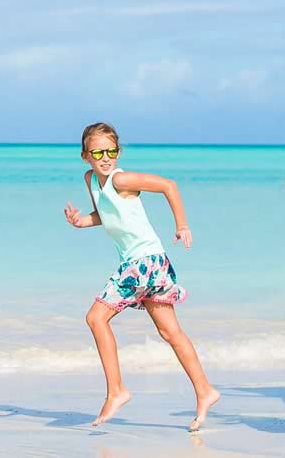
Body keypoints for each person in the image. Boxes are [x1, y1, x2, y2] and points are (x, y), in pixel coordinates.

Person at [63, 122, 221, 431]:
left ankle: (117, 391)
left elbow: (169, 186)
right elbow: (106, 214)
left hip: (143, 263)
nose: (105, 158)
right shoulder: (91, 180)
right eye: (98, 152)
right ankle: (205, 390)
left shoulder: (123, 179)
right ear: (85, 157)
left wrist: (182, 225)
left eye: (111, 151)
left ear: (118, 152)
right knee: (170, 332)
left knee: (96, 319)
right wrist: (82, 221)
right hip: (147, 263)